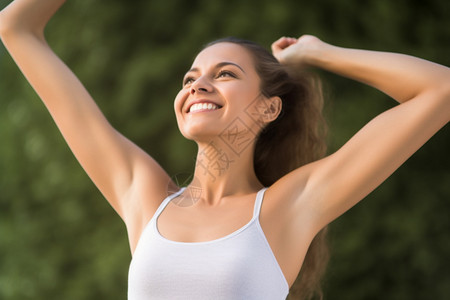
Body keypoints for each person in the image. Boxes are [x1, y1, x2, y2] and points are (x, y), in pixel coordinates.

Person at [1, 0, 448, 299]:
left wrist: (318, 54)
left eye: (226, 73)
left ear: (269, 108)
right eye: (190, 77)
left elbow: (439, 90)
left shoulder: (289, 207)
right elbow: (15, 28)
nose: (198, 84)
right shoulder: (144, 198)